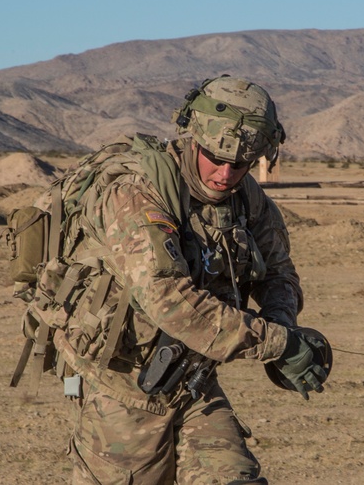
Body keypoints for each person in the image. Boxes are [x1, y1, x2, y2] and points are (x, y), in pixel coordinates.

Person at [50, 76, 328, 484]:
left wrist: (283, 322)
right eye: (216, 157)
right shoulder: (137, 193)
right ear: (193, 137)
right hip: (121, 388)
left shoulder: (246, 197)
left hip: (193, 379)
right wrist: (274, 342)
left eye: (242, 163)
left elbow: (279, 271)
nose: (226, 173)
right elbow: (168, 300)